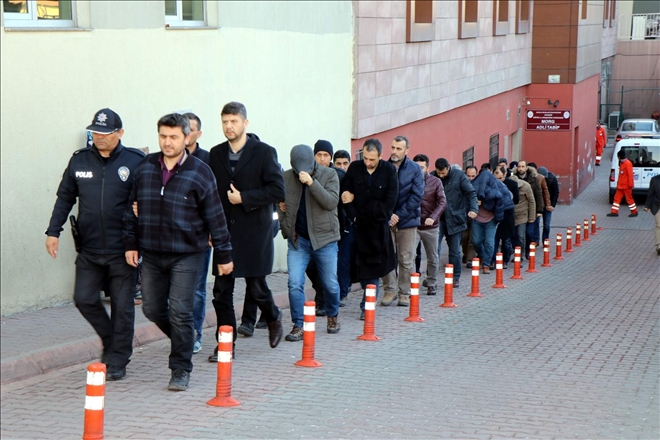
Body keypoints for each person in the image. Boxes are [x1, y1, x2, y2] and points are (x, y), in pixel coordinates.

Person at [123, 113, 233, 391]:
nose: (167, 142)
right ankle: (184, 339)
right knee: (151, 308)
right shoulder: (146, 167)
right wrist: (131, 243)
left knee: (181, 311)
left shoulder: (200, 171)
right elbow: (131, 209)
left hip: (187, 253)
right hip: (152, 252)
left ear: (187, 137)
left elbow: (215, 215)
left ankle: (180, 368)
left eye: (173, 136)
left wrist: (224, 254)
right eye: (163, 136)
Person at [45, 108, 144, 382]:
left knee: (123, 308)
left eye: (105, 133)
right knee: (84, 299)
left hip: (123, 249)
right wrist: (53, 231)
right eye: (95, 133)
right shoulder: (79, 161)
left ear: (120, 133)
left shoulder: (135, 162)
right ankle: (111, 340)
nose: (99, 138)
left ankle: (118, 359)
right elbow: (65, 198)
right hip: (89, 249)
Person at [208, 102, 285, 361]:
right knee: (221, 293)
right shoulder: (216, 154)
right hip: (224, 235)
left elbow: (278, 190)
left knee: (257, 287)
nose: (229, 126)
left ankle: (273, 316)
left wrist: (245, 198)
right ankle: (226, 343)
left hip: (254, 233)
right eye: (225, 121)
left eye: (234, 121)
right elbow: (211, 194)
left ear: (245, 123)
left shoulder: (264, 152)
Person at [278, 144, 341, 340]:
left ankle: (332, 315)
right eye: (299, 171)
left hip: (325, 240)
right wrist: (285, 225)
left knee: (330, 283)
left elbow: (331, 202)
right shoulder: (287, 178)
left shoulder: (329, 175)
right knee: (294, 283)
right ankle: (299, 324)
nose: (303, 173)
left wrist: (312, 183)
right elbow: (279, 204)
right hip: (299, 241)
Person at [341, 138, 398, 319]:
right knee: (357, 268)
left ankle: (367, 305)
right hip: (357, 228)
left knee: (373, 268)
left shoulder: (389, 171)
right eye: (365, 158)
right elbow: (345, 196)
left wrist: (360, 208)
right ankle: (365, 297)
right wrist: (354, 215)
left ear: (381, 156)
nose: (368, 162)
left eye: (372, 159)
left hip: (377, 230)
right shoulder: (355, 169)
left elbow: (388, 204)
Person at [381, 136, 424, 307]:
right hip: (386, 221)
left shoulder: (415, 169)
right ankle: (389, 290)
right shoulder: (383, 167)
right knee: (387, 257)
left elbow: (416, 196)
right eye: (392, 147)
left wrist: (398, 215)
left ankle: (404, 293)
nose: (394, 151)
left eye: (399, 149)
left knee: (406, 259)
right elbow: (378, 194)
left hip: (407, 221)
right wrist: (388, 214)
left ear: (406, 151)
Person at [182, 112, 211, 355]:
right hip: (171, 238)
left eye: (190, 129)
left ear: (198, 133)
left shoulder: (208, 160)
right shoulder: (167, 160)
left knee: (197, 289)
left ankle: (195, 335)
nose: (185, 133)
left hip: (200, 237)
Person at [432, 158, 478, 289]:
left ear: (448, 168)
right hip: (438, 218)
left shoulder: (459, 176)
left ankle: (455, 277)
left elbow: (471, 193)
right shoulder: (432, 176)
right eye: (438, 173)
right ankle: (432, 279)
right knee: (435, 249)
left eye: (443, 173)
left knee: (455, 251)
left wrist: (474, 209)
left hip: (455, 218)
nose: (441, 176)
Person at [413, 154, 446, 295]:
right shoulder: (408, 180)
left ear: (427, 167)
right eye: (416, 167)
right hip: (412, 225)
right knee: (409, 257)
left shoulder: (435, 182)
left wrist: (433, 217)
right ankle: (411, 282)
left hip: (430, 226)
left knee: (432, 257)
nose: (419, 170)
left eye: (422, 167)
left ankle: (432, 282)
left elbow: (443, 202)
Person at [333, 149, 355, 306]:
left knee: (344, 259)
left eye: (345, 163)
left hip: (349, 225)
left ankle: (343, 291)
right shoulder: (331, 179)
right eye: (338, 164)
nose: (342, 167)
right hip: (333, 226)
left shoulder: (354, 181)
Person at [492, 166, 519, 268]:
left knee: (506, 241)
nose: (497, 179)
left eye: (499, 177)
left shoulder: (512, 184)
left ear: (504, 174)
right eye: (495, 175)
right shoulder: (491, 184)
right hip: (495, 215)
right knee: (494, 240)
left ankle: (505, 260)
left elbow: (516, 199)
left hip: (507, 216)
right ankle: (493, 260)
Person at [516, 161, 545, 257]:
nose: (520, 168)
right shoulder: (514, 179)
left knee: (529, 233)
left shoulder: (533, 179)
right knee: (520, 234)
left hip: (531, 210)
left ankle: (528, 250)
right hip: (520, 211)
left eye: (522, 167)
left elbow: (538, 195)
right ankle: (520, 252)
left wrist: (539, 210)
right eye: (519, 166)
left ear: (526, 168)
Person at [510, 173, 536, 258]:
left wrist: (531, 217)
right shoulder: (506, 186)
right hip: (511, 214)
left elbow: (531, 201)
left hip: (522, 214)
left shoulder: (526, 186)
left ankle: (520, 255)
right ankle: (515, 251)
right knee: (512, 236)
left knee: (521, 235)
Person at [607, 150, 638, 217]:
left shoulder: (627, 163)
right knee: (616, 198)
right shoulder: (622, 163)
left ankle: (634, 211)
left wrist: (630, 185)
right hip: (621, 186)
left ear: (619, 156)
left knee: (629, 199)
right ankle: (614, 212)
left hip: (626, 186)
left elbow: (630, 175)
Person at [460, 166, 478, 265]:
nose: (471, 178)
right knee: (464, 237)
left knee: (473, 238)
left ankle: (470, 259)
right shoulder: (461, 184)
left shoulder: (480, 184)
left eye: (473, 176)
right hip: (463, 215)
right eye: (468, 176)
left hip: (475, 216)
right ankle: (466, 254)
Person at [537, 166, 559, 242]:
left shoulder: (552, 179)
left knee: (546, 224)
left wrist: (552, 205)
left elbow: (556, 192)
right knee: (536, 223)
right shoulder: (537, 179)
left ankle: (545, 240)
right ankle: (536, 240)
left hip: (548, 205)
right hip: (539, 204)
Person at [643, 174, 660, 255]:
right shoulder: (654, 180)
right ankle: (658, 246)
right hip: (658, 206)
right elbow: (651, 194)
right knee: (659, 225)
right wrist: (647, 205)